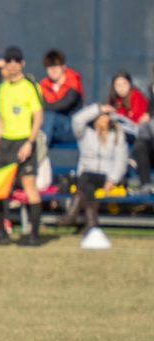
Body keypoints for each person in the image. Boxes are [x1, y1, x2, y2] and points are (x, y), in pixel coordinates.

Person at [0, 46, 44, 247]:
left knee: (29, 186)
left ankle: (34, 234)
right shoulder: (2, 88)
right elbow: (1, 119)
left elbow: (38, 117)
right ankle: (1, 231)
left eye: (16, 61)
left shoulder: (29, 86)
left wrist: (29, 143)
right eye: (9, 61)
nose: (13, 65)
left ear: (22, 63)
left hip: (23, 141)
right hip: (5, 143)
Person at [68, 103, 129, 249]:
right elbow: (77, 120)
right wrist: (99, 108)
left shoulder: (117, 134)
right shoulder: (85, 134)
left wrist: (112, 179)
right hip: (87, 176)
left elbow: (122, 159)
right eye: (102, 116)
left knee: (84, 182)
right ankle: (91, 225)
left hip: (107, 176)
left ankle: (71, 214)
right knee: (86, 181)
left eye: (107, 116)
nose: (105, 118)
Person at [107, 71, 150, 191]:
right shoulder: (114, 100)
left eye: (124, 84)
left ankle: (129, 161)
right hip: (121, 135)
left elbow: (137, 119)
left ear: (130, 84)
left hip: (137, 133)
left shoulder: (136, 96)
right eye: (117, 85)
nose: (121, 88)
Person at [38, 50, 83, 147]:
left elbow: (64, 105)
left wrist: (41, 107)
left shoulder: (73, 82)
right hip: (52, 129)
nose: (53, 70)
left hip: (72, 127)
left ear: (63, 67)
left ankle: (40, 153)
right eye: (50, 67)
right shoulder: (43, 85)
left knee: (49, 115)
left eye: (56, 66)